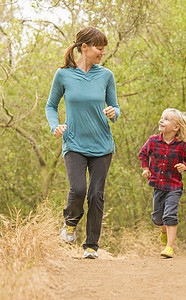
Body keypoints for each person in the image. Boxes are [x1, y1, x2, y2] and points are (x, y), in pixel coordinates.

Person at [45, 26, 120, 259]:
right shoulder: (63, 75)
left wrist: (113, 112)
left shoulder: (106, 75)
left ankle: (91, 246)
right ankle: (70, 222)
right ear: (84, 47)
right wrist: (54, 126)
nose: (102, 53)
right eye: (99, 48)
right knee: (78, 190)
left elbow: (115, 107)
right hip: (74, 143)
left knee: (96, 194)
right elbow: (50, 106)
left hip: (102, 145)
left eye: (104, 49)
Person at [139, 108, 186, 258]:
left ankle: (169, 247)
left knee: (170, 214)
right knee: (158, 218)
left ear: (176, 127)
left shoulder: (182, 146)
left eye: (166, 119)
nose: (161, 121)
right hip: (158, 186)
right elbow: (143, 153)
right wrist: (146, 168)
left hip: (174, 187)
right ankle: (163, 229)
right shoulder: (153, 141)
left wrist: (185, 166)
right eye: (161, 118)